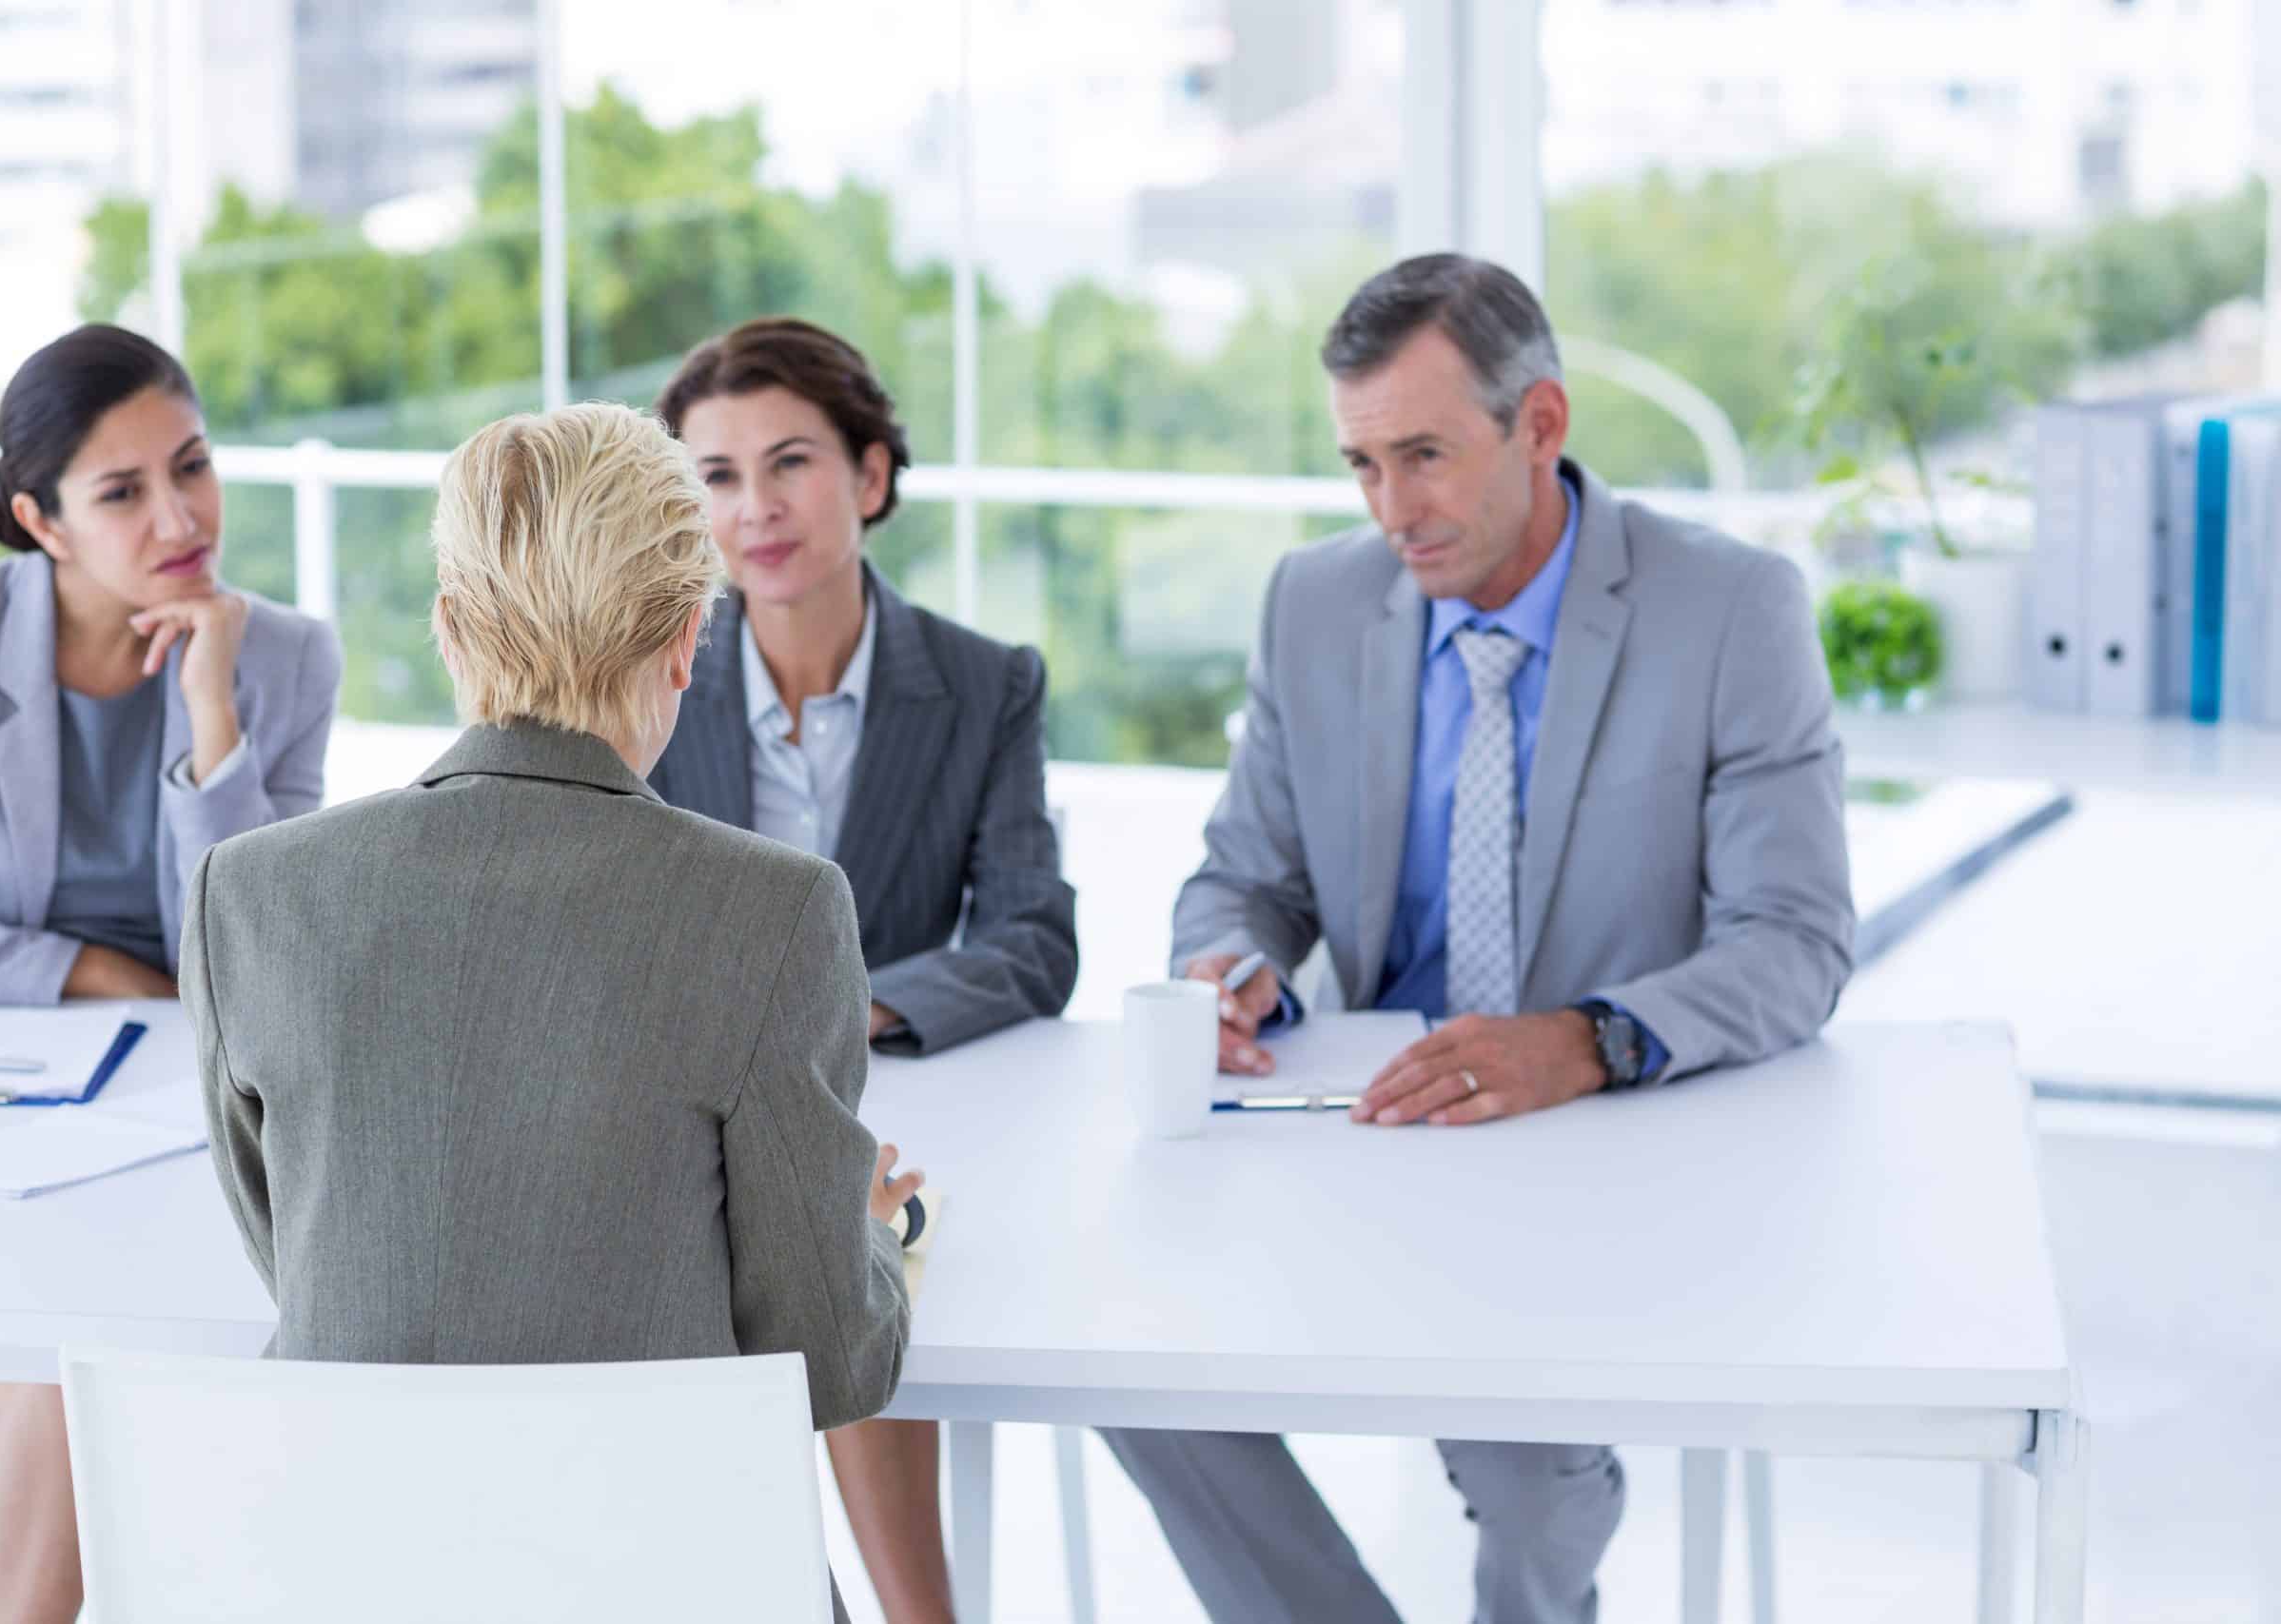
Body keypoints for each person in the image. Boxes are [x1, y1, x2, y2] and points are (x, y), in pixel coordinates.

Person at [1100, 254, 1856, 1624]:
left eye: (1426, 455)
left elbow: (1795, 938)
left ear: (1543, 424)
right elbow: (1244, 875)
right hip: (1370, 1129)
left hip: (1605, 1148)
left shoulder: (1731, 609)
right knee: (1133, 1370)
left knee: (1531, 1488)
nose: (1394, 507)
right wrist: (1229, 962)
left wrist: (1583, 1039)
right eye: (1363, 464)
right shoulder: (1313, 603)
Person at [177, 401, 916, 1624]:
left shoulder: (248, 891)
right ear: (687, 640)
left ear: (453, 629)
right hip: (668, 1582)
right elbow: (827, 1360)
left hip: (345, 1577)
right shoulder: (774, 910)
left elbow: (295, 1252)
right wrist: (877, 1238)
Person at [0, 323, 343, 1624]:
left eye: (192, 465)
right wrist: (88, 972)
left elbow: (257, 966)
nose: (180, 515)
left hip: (186, 1136)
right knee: (81, 1382)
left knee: (140, 1384)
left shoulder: (283, 655)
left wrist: (213, 715)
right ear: (40, 520)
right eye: (122, 492)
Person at [652, 318, 1076, 1624]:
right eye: (714, 477)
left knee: (850, 1235)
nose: (753, 508)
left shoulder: (983, 682)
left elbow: (1033, 936)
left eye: (789, 462)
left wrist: (848, 1011)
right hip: (685, 1112)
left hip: (890, 1113)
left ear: (872, 475)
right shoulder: (651, 677)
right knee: (796, 1251)